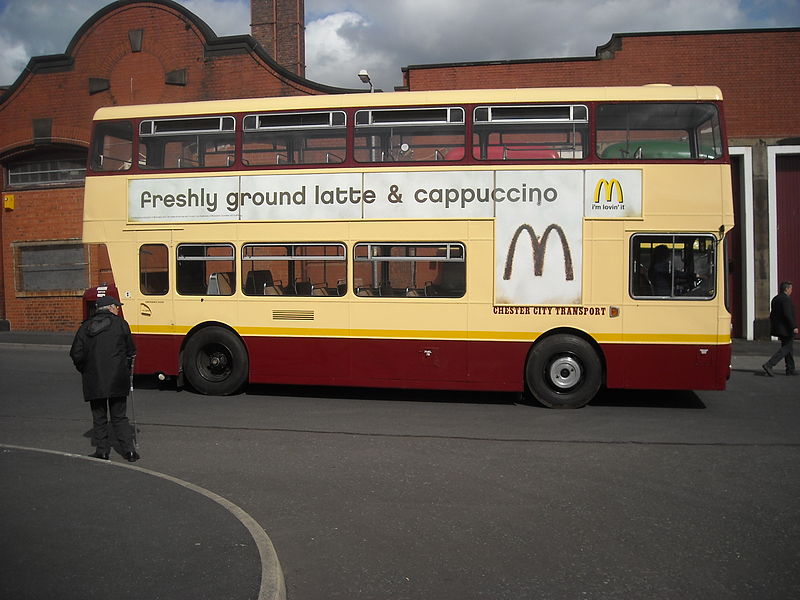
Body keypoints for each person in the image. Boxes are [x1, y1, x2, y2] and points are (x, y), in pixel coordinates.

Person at [70, 295, 140, 461]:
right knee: (119, 416)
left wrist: (85, 369)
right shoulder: (121, 324)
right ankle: (129, 451)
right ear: (109, 307)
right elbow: (131, 350)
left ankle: (102, 451)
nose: (118, 309)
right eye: (116, 306)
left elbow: (76, 353)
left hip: (94, 378)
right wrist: (126, 367)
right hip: (117, 378)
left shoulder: (86, 327)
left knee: (99, 417)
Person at [762, 281, 797, 377]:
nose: (791, 291)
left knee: (788, 347)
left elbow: (772, 314)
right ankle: (769, 364)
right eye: (790, 289)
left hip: (779, 327)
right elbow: (787, 314)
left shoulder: (776, 299)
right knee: (786, 348)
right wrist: (793, 326)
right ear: (786, 289)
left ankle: (790, 369)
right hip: (786, 328)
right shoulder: (785, 300)